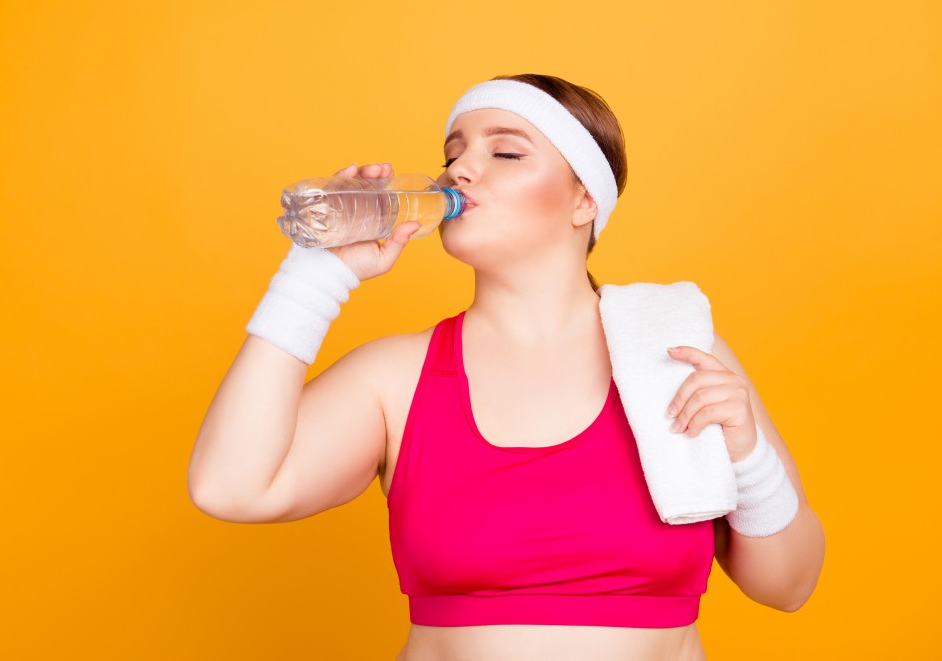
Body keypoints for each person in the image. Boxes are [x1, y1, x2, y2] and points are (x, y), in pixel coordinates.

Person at [187, 73, 826, 661]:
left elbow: (789, 587)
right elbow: (230, 488)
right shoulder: (396, 378)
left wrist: (747, 455)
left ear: (584, 200)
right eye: (453, 153)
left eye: (506, 152)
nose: (461, 169)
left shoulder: (680, 356)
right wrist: (314, 277)